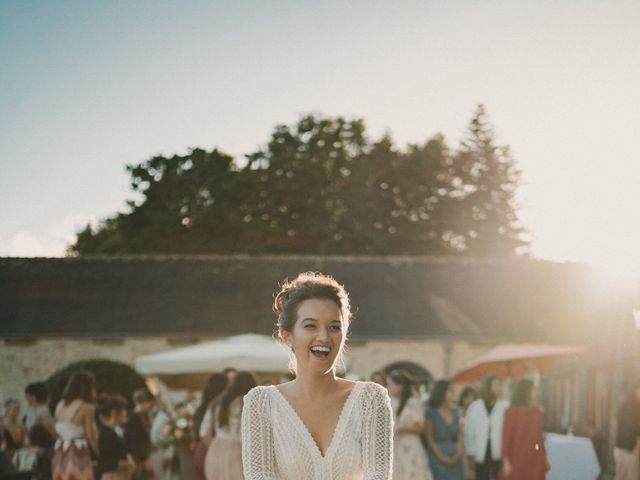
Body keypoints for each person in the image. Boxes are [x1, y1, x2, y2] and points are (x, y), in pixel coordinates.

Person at [241, 272, 393, 479]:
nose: (324, 337)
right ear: (287, 336)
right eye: (310, 326)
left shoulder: (370, 399)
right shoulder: (261, 403)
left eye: (334, 327)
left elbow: (378, 475)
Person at [204, 372, 256, 480]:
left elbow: (204, 432)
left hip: (216, 449)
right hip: (241, 451)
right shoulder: (251, 403)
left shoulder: (218, 402)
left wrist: (214, 442)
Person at [52, 370, 99, 480]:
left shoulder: (60, 405)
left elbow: (56, 430)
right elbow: (90, 434)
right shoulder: (87, 407)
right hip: (77, 449)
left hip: (59, 449)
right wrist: (99, 452)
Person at [387, 370, 433, 480]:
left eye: (391, 385)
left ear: (400, 386)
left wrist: (401, 428)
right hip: (397, 446)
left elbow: (420, 426)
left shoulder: (413, 402)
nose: (388, 387)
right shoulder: (392, 404)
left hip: (411, 446)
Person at [499, 379, 548, 480]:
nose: (536, 392)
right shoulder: (511, 412)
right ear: (525, 391)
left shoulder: (537, 411)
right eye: (533, 389)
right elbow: (506, 438)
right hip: (518, 456)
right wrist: (506, 460)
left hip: (535, 456)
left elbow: (539, 438)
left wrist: (542, 456)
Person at [464, 374, 508, 480]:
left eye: (500, 385)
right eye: (495, 385)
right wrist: (470, 454)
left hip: (499, 452)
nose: (498, 388)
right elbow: (469, 433)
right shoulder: (475, 407)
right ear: (488, 387)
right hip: (480, 452)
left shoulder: (505, 406)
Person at [425, 380, 464, 480]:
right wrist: (442, 457)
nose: (453, 393)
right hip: (437, 454)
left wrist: (458, 453)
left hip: (455, 454)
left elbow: (459, 435)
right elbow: (429, 438)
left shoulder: (456, 412)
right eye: (450, 390)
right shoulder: (430, 412)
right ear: (442, 392)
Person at [192, 374, 229, 480]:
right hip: (209, 452)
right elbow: (204, 434)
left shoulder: (203, 407)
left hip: (201, 451)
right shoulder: (215, 407)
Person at [97, 393, 131, 480]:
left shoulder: (113, 431)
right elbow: (107, 461)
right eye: (123, 410)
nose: (125, 413)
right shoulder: (106, 434)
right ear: (114, 412)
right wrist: (128, 464)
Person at [124, 388, 155, 479]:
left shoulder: (142, 416)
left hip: (144, 457)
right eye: (150, 403)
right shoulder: (132, 420)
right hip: (139, 459)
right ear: (144, 402)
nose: (151, 406)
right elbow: (131, 442)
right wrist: (143, 458)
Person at [613, 380, 640, 480]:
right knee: (632, 476)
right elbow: (635, 428)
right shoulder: (636, 407)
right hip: (630, 448)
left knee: (620, 476)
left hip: (619, 447)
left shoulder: (624, 405)